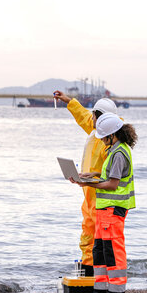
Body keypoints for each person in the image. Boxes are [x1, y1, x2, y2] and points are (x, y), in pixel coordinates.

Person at [72, 112, 137, 293]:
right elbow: (108, 174)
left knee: (112, 252)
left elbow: (112, 184)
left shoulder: (119, 153)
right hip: (103, 210)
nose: (101, 140)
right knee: (99, 250)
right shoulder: (114, 150)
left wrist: (88, 184)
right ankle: (100, 291)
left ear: (112, 135)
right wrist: (90, 174)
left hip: (113, 209)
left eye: (103, 137)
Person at [53, 91, 118, 277]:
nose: (92, 119)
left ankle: (99, 279)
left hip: (102, 197)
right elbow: (83, 117)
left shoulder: (111, 140)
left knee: (100, 241)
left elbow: (112, 176)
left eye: (94, 116)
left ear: (101, 117)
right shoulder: (97, 129)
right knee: (88, 237)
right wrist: (69, 101)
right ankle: (88, 276)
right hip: (90, 195)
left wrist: (90, 179)